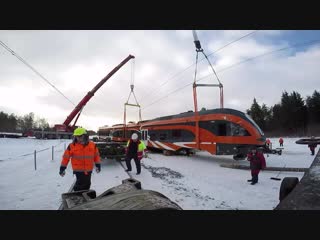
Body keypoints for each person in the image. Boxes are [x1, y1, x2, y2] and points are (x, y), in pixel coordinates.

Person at [59, 127, 101, 191]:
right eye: (77, 136)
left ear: (85, 136)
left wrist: (98, 165)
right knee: (79, 185)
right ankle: (77, 196)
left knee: (87, 184)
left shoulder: (92, 145)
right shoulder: (71, 146)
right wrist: (62, 168)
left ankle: (85, 196)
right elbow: (66, 157)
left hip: (88, 170)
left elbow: (96, 156)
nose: (78, 138)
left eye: (80, 136)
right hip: (78, 170)